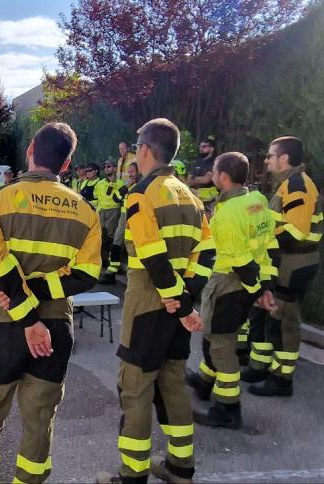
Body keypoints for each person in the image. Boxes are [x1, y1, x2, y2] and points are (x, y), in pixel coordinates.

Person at [0, 122, 101, 484]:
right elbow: (87, 274)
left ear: (30, 150)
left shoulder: (0, 200)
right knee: (39, 421)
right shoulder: (85, 211)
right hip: (56, 326)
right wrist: (40, 295)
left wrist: (25, 311)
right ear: (67, 165)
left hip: (4, 322)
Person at [97, 119, 213, 484]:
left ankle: (132, 475)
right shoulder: (190, 195)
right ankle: (181, 467)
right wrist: (187, 299)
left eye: (135, 147)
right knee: (173, 382)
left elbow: (151, 254)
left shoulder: (141, 193)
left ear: (145, 149)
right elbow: (207, 251)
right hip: (178, 305)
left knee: (135, 388)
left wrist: (177, 301)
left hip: (149, 303)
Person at [185, 152, 276, 429]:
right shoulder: (258, 201)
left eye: (214, 170)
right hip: (250, 279)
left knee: (221, 343)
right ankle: (204, 381)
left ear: (222, 176)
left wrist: (257, 291)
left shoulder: (227, 216)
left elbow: (239, 261)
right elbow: (268, 245)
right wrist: (264, 287)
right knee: (217, 334)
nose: (212, 174)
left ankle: (228, 408)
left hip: (229, 283)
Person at [242, 136, 322, 397]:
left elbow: (296, 233)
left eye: (270, 155)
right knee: (267, 314)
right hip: (285, 262)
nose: (266, 160)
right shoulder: (289, 183)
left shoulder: (297, 184)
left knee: (284, 321)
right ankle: (260, 367)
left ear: (284, 158)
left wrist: (263, 239)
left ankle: (281, 379)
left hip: (294, 264)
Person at [104, 163, 140, 284]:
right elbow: (116, 198)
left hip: (138, 218)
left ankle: (134, 275)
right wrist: (126, 186)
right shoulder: (127, 184)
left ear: (139, 171)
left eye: (133, 172)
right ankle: (111, 273)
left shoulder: (143, 184)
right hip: (124, 217)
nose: (130, 174)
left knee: (134, 246)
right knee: (116, 243)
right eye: (128, 172)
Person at [95, 160, 126, 279]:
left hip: (113, 211)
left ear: (114, 168)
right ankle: (103, 261)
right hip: (101, 211)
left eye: (109, 166)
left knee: (111, 237)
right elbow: (97, 196)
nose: (106, 168)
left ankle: (110, 263)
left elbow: (118, 198)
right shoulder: (100, 183)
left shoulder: (120, 183)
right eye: (105, 167)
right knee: (101, 237)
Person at [188, 138, 219, 213]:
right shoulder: (197, 161)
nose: (201, 148)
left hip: (210, 200)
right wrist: (198, 179)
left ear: (212, 148)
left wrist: (194, 179)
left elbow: (206, 180)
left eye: (204, 146)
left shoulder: (216, 162)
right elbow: (189, 180)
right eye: (200, 147)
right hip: (196, 197)